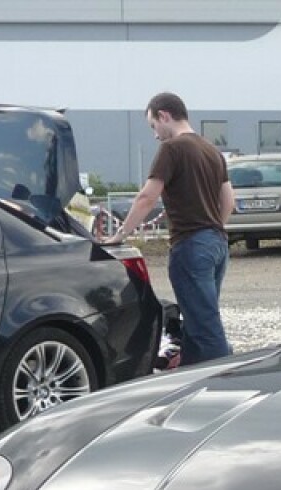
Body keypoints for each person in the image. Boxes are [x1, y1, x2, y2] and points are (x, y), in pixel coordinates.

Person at [107, 92, 233, 365]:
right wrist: (213, 227)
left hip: (191, 245)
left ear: (164, 115)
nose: (155, 135)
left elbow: (147, 197)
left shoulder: (172, 149)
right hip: (218, 244)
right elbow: (229, 201)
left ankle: (225, 379)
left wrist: (120, 235)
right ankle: (193, 382)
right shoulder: (212, 151)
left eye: (153, 126)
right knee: (200, 319)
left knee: (204, 327)